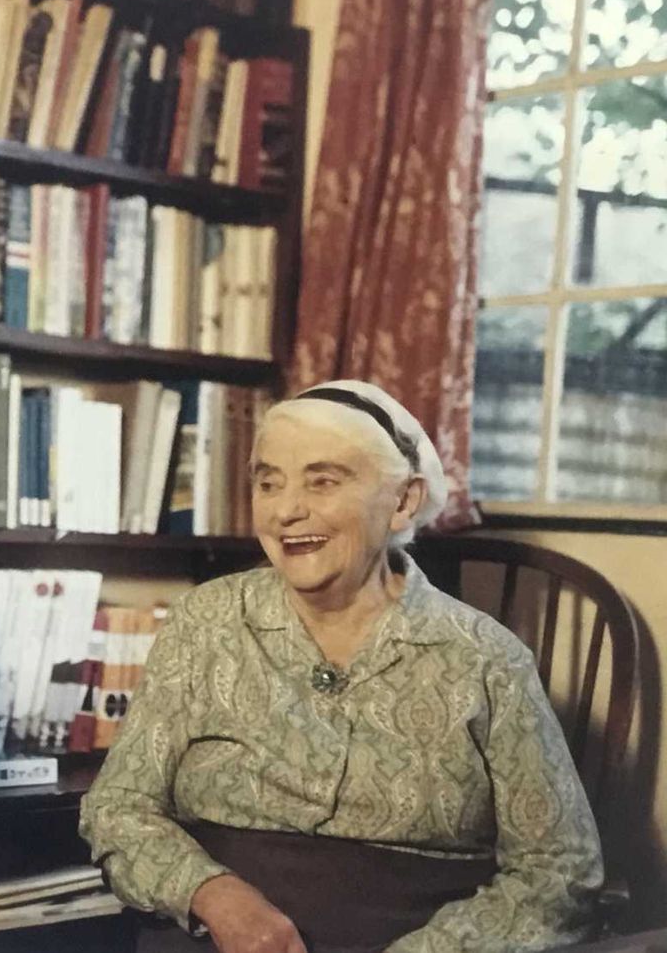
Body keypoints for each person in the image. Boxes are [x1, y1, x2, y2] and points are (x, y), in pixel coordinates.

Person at [79, 380, 603, 953]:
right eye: (268, 482)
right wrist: (213, 893)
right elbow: (119, 806)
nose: (286, 510)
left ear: (403, 500)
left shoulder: (487, 659)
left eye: (323, 481)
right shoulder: (205, 623)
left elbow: (559, 873)